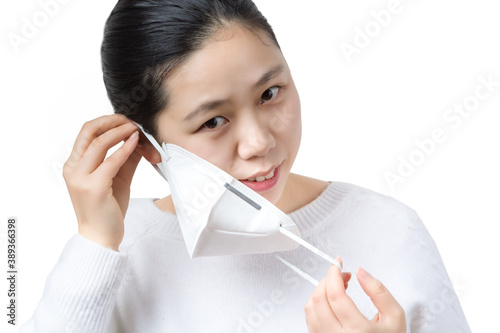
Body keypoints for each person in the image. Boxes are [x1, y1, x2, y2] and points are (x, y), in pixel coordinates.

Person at [21, 0, 470, 332]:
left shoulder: (390, 230)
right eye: (213, 121)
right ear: (151, 146)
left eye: (270, 92)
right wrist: (96, 242)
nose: (259, 143)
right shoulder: (118, 253)